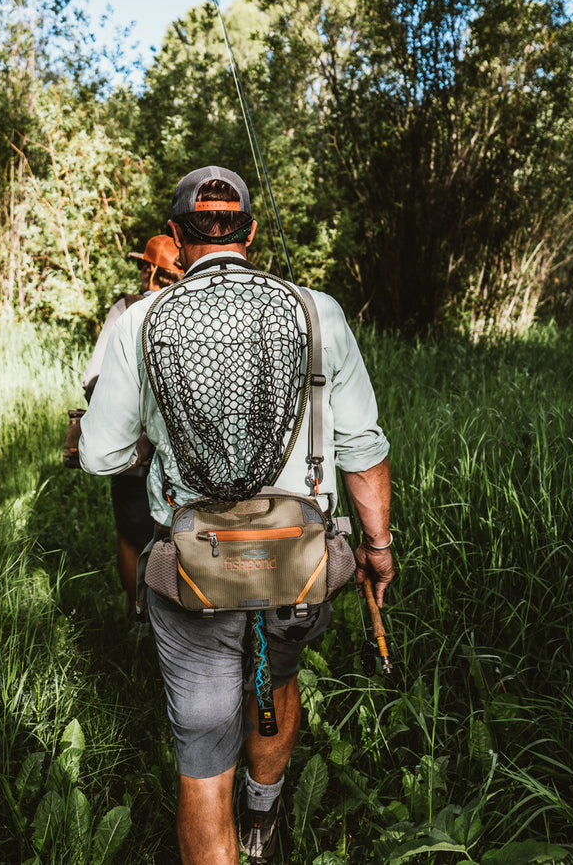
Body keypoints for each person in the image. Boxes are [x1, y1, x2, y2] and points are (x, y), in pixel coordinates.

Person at [79, 166, 395, 864]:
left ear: (174, 236)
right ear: (248, 233)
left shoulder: (139, 320)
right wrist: (377, 546)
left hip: (195, 571)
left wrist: (155, 434)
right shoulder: (319, 312)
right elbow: (363, 450)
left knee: (200, 749)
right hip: (298, 564)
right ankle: (261, 823)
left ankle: (231, 818)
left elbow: (100, 458)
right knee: (276, 679)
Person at [80, 233, 184, 611]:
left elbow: (94, 381)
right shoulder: (195, 309)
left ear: (151, 270)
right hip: (184, 448)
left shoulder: (125, 309)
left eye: (145, 265)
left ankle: (138, 612)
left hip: (133, 447)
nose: (141, 272)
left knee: (130, 534)